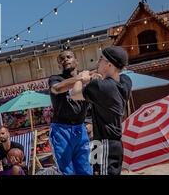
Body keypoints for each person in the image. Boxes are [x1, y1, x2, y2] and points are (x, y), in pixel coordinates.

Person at [55, 46, 132, 175]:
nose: (98, 62)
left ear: (109, 64)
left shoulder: (100, 86)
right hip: (109, 143)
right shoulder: (126, 81)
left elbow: (74, 94)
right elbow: (115, 80)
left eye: (101, 59)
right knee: (95, 172)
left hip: (105, 143)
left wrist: (81, 78)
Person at [49, 50, 92, 175]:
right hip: (61, 130)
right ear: (59, 65)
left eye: (69, 57)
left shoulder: (87, 79)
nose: (66, 60)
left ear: (76, 61)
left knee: (85, 170)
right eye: (62, 59)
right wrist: (79, 78)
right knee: (67, 172)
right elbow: (57, 88)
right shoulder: (56, 79)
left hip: (80, 129)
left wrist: (90, 122)